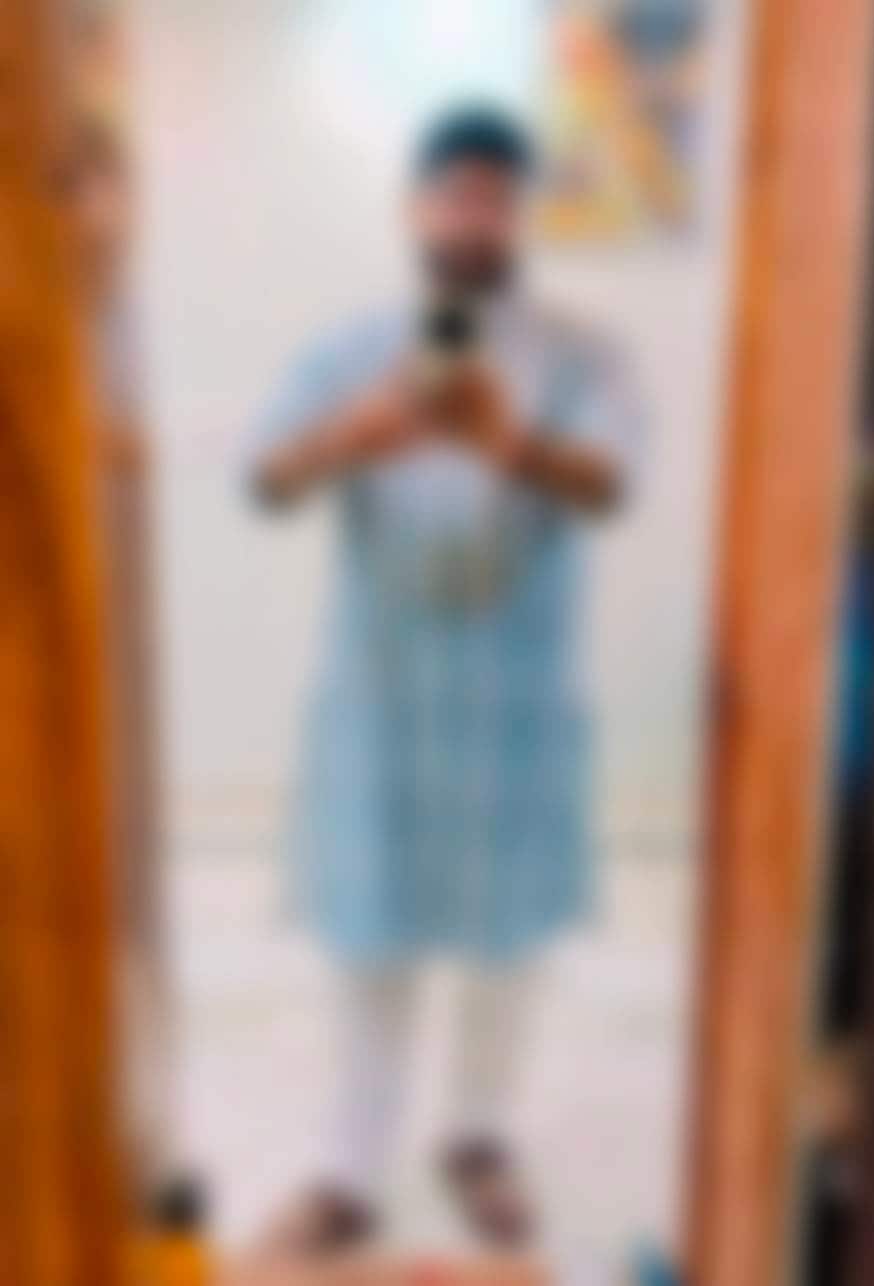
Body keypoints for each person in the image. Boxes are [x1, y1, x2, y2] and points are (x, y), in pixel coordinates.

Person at [246, 104, 643, 1259]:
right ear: (415, 208)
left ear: (521, 213)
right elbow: (261, 480)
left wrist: (510, 441)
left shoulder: (583, 353)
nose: (474, 217)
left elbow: (612, 484)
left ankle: (476, 1135)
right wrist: (350, 434)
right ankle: (349, 1168)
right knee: (369, 939)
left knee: (506, 942)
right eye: (454, 194)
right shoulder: (350, 350)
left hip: (517, 697)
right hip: (382, 692)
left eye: (495, 197)